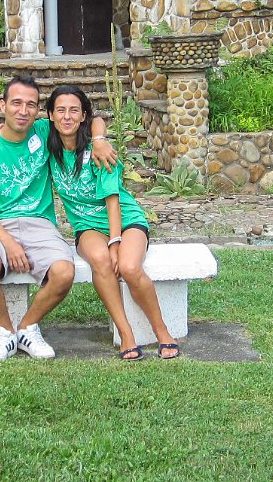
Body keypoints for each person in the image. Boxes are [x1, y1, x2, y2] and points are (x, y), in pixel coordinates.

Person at [0, 75, 116, 361]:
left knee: (63, 272)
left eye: (30, 105)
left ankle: (27, 329)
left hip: (39, 224)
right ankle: (5, 333)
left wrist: (99, 139)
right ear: (2, 106)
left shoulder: (44, 131)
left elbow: (91, 117)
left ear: (38, 111)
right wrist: (8, 243)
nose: (23, 111)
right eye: (16, 103)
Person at [45, 85, 181, 360]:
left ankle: (162, 331)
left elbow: (113, 201)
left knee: (129, 267)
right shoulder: (48, 146)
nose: (67, 117)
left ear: (83, 116)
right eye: (60, 110)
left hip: (126, 220)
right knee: (100, 260)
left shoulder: (99, 152)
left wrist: (115, 242)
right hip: (88, 226)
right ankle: (126, 334)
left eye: (74, 111)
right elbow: (16, 128)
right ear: (50, 115)